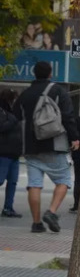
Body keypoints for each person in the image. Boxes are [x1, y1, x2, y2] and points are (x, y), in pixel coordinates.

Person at [13, 62, 79, 233]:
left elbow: (16, 117)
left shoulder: (25, 94)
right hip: (54, 143)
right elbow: (68, 116)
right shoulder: (58, 91)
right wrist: (74, 138)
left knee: (34, 184)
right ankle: (51, 211)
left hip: (30, 147)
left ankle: (36, 224)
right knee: (64, 180)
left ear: (34, 74)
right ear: (50, 73)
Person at [0, 90, 23, 218]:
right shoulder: (4, 112)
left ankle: (8, 208)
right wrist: (13, 120)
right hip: (4, 152)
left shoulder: (13, 112)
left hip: (14, 153)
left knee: (13, 182)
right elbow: (2, 127)